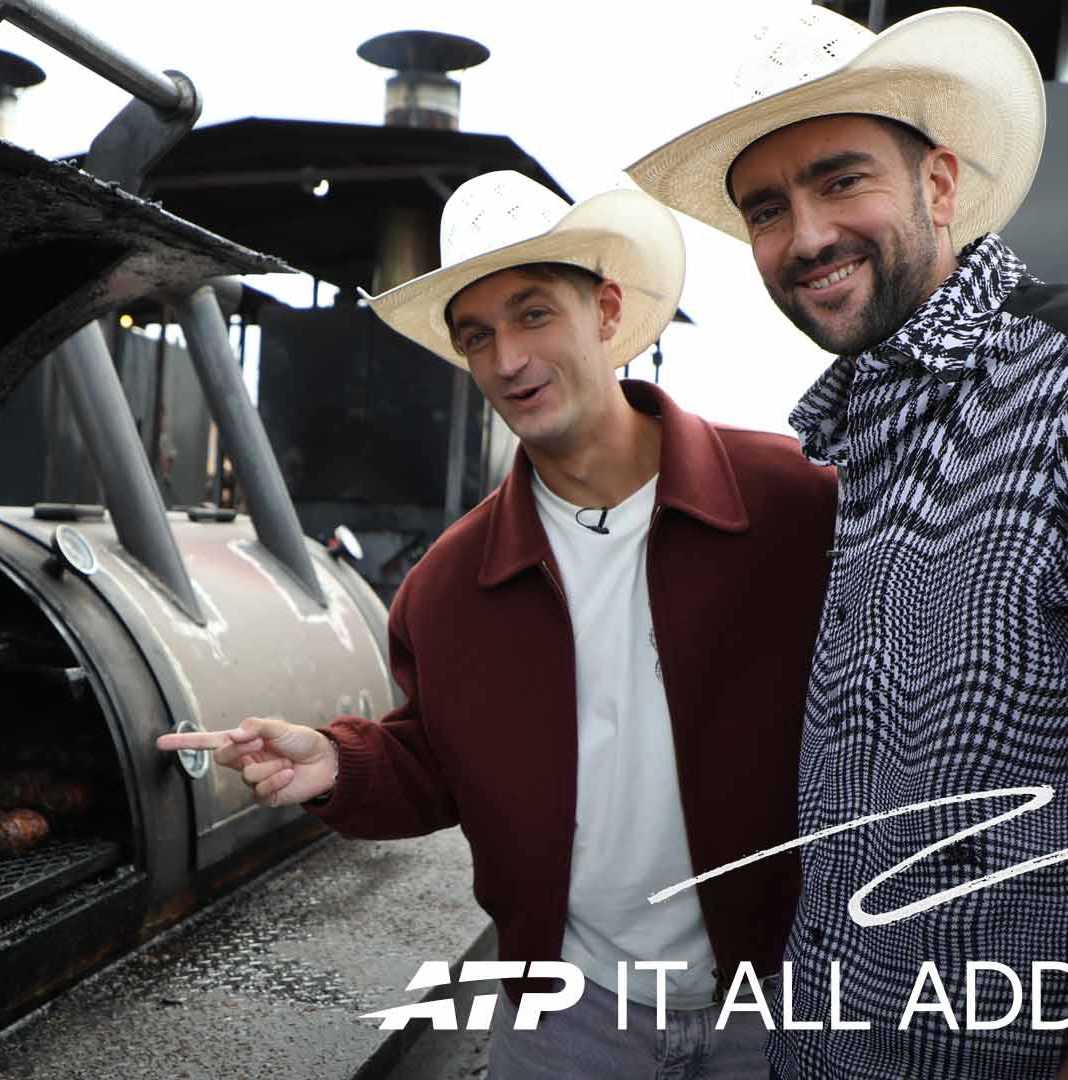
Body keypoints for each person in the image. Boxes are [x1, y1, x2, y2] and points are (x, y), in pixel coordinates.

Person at [626, 7, 1068, 1080]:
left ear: (941, 186)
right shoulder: (859, 435)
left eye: (841, 180)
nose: (806, 235)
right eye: (767, 209)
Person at [158, 169, 836, 1078]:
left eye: (532, 314)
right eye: (477, 336)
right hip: (565, 1021)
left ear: (605, 310)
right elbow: (441, 761)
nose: (507, 359)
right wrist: (338, 764)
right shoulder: (446, 587)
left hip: (784, 1004)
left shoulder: (799, 504)